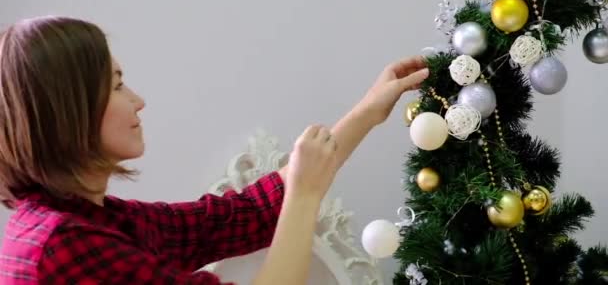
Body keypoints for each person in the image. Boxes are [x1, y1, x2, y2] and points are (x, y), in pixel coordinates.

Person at [0, 16, 429, 284]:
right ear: (69, 112)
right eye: (116, 86)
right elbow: (284, 202)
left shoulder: (93, 221)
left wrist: (369, 111)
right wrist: (305, 195)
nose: (137, 100)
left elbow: (244, 215)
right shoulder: (66, 244)